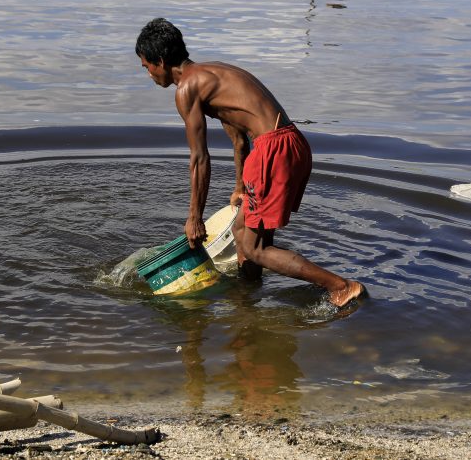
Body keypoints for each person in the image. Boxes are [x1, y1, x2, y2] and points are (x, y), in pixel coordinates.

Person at [135, 18, 366, 309]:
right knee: (242, 232)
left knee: (255, 248)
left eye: (146, 67)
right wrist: (240, 188)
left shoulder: (187, 89)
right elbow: (239, 140)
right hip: (290, 142)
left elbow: (199, 158)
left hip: (273, 150)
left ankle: (341, 286)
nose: (149, 74)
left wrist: (195, 217)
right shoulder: (213, 73)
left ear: (160, 60)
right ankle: (248, 299)